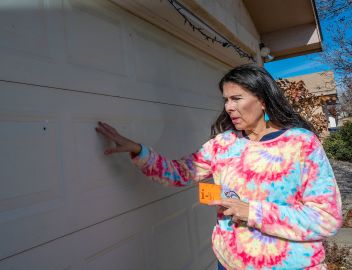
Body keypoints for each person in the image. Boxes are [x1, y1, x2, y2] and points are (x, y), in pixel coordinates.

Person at [95, 64, 342, 269]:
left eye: (236, 98)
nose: (229, 107)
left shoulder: (301, 143)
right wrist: (139, 150)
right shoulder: (223, 144)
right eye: (226, 100)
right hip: (228, 262)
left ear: (263, 100)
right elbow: (180, 173)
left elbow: (326, 219)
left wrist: (253, 212)